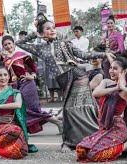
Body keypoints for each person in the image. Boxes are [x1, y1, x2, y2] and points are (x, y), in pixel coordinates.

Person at [15, 13, 115, 152]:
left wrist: (104, 54)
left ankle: (69, 143)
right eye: (48, 28)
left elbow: (83, 55)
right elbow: (19, 43)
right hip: (64, 80)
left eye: (53, 27)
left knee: (70, 110)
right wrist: (35, 34)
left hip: (77, 76)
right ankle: (86, 140)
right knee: (73, 110)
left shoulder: (66, 43)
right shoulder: (40, 48)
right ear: (42, 32)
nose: (52, 30)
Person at [0, 28, 62, 135]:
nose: (8, 46)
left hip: (27, 84)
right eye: (5, 45)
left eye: (10, 43)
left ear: (14, 44)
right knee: (20, 109)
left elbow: (34, 68)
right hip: (15, 86)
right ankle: (20, 131)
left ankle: (57, 122)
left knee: (32, 109)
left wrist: (32, 77)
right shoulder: (4, 59)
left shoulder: (22, 55)